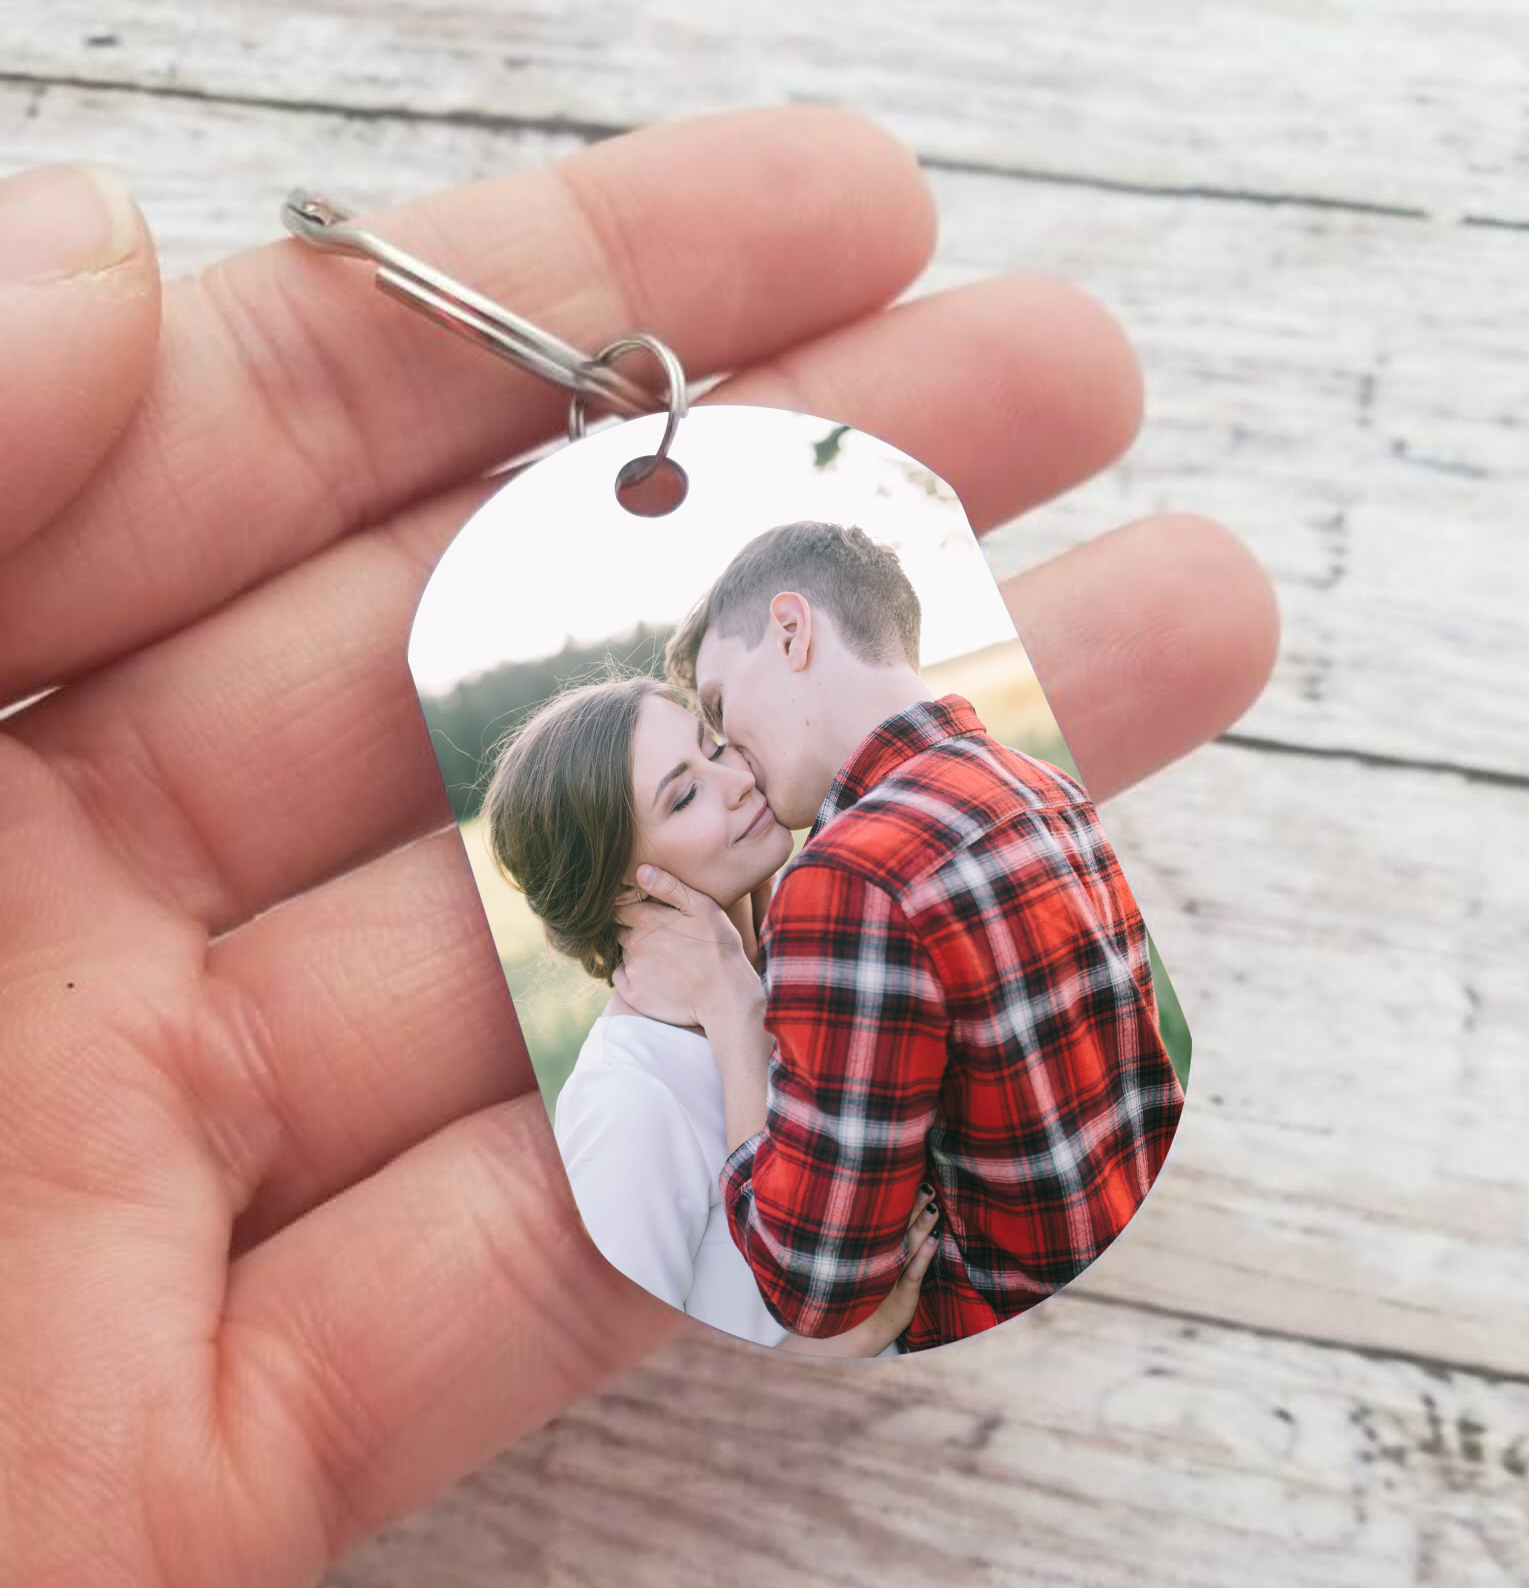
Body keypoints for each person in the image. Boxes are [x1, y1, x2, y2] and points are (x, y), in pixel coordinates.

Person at [0, 107, 1276, 1588]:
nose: (740, 775)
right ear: (621, 882)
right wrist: (737, 1023)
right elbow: (837, 1302)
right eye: (692, 774)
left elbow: (822, 1281)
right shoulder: (1005, 791)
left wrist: (746, 1026)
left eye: (719, 731)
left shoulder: (841, 891)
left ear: (790, 630)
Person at [613, 521, 1186, 1350]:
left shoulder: (852, 878)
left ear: (791, 631)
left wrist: (735, 1009)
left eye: (719, 709)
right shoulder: (1049, 788)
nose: (733, 758)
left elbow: (812, 1286)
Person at [479, 674, 940, 1354]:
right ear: (619, 891)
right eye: (684, 795)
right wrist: (849, 1343)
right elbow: (632, 1390)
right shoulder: (628, 1100)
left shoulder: (806, 972)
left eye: (715, 746)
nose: (739, 780)